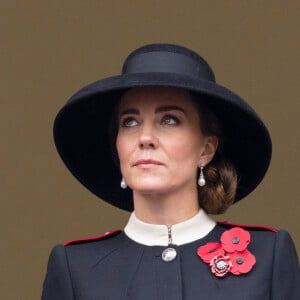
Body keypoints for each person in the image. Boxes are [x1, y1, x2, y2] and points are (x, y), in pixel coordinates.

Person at [41, 44, 300, 299]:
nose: (145, 138)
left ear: (206, 149)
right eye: (129, 122)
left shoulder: (269, 257)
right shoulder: (76, 268)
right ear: (117, 147)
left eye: (169, 120)